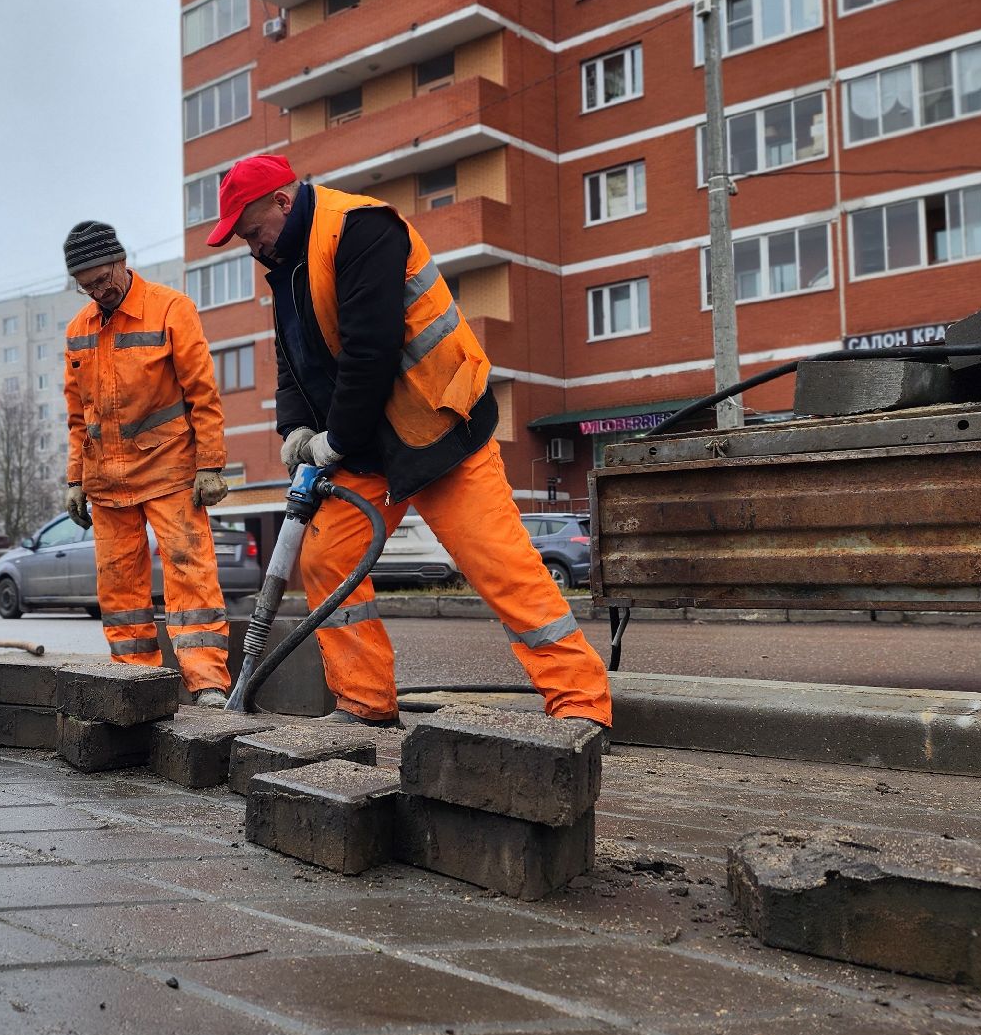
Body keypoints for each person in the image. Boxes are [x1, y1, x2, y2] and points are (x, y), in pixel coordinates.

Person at [207, 154, 613, 731]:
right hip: (367, 449)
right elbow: (293, 357)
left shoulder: (362, 229)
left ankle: (580, 704)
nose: (252, 247)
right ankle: (365, 703)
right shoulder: (289, 264)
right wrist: (294, 429)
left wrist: (334, 440)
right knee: (327, 559)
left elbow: (370, 352)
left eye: (252, 232)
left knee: (501, 566)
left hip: (439, 431)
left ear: (281, 201)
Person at [60, 221, 234, 704]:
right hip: (106, 480)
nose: (98, 291)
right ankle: (134, 681)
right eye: (87, 285)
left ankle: (206, 683)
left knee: (189, 572)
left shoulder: (171, 309)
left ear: (120, 261)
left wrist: (210, 465)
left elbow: (203, 391)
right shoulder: (79, 330)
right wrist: (75, 479)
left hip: (169, 468)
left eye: (102, 279)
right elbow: (79, 415)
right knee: (118, 586)